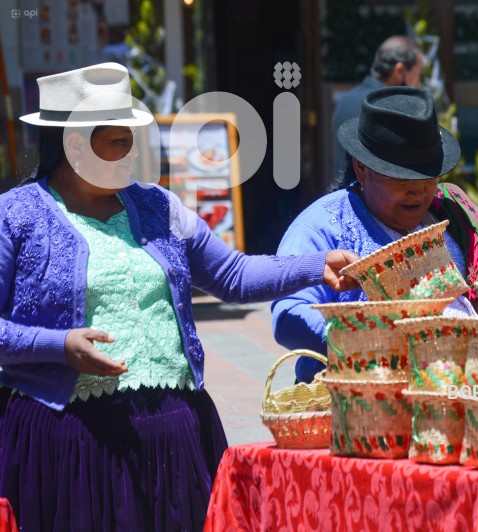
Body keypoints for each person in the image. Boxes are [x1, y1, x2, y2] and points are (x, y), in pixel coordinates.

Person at [0, 63, 358, 530]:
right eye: (119, 142)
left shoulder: (158, 207)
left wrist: (315, 266)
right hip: (72, 440)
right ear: (74, 145)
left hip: (174, 433)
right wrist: (58, 346)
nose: (132, 155)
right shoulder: (16, 217)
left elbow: (233, 275)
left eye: (133, 140)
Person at [273, 86, 478, 384]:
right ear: (362, 169)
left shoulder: (445, 212)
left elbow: (465, 288)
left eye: (428, 175)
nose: (418, 190)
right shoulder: (321, 226)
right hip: (361, 405)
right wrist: (366, 342)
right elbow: (288, 315)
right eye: (402, 177)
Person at [331, 35, 423, 178]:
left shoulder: (345, 101)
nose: (418, 84)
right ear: (400, 71)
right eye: (418, 75)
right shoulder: (392, 110)